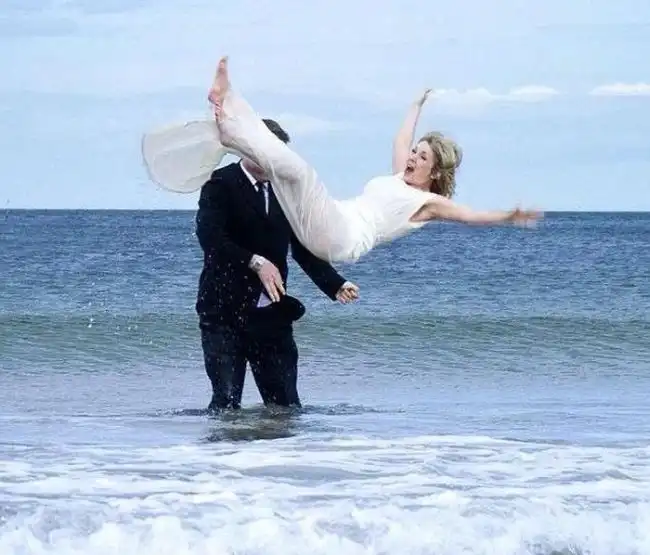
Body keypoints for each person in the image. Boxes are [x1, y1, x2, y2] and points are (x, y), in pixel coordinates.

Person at [206, 56, 542, 264]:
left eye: (422, 156)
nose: (412, 157)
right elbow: (401, 140)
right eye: (415, 152)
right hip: (326, 223)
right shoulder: (399, 177)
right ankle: (227, 118)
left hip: (343, 237)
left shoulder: (428, 203)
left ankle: (230, 124)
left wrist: (508, 216)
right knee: (285, 177)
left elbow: (471, 216)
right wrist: (416, 104)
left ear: (435, 171)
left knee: (302, 172)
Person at [195, 116, 359, 412]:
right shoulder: (220, 183)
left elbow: (303, 248)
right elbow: (210, 238)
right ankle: (224, 444)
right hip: (223, 312)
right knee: (226, 405)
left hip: (270, 314)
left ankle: (278, 444)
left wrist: (335, 283)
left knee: (286, 407)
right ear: (249, 149)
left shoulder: (287, 191)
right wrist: (255, 261)